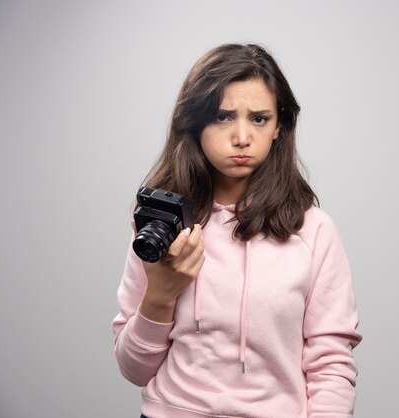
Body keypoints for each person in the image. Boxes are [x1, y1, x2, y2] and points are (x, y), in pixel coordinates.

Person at [112, 43, 362, 418]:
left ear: (279, 126)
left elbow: (331, 364)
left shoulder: (313, 231)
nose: (242, 136)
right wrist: (160, 296)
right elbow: (134, 369)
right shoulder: (163, 225)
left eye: (259, 118)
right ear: (194, 124)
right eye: (223, 117)